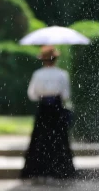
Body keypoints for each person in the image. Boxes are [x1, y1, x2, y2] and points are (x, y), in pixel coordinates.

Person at [20, 45, 76, 180]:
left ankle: (39, 170)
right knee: (58, 140)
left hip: (43, 109)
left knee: (40, 140)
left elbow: (31, 94)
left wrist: (43, 96)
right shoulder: (62, 74)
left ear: (43, 60)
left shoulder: (38, 74)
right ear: (55, 59)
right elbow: (66, 95)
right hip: (57, 109)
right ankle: (60, 170)